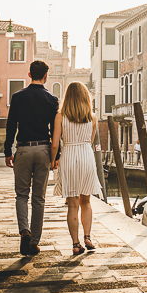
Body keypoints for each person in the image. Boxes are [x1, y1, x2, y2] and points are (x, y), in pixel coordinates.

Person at [5, 60, 59, 256]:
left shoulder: (18, 97)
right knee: (39, 198)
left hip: (23, 149)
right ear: (46, 76)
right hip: (44, 149)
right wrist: (56, 155)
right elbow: (55, 131)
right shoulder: (52, 100)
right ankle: (34, 242)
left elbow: (11, 126)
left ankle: (24, 231)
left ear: (29, 75)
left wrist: (7, 151)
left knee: (21, 195)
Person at [50, 81, 102, 255]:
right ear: (85, 97)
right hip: (86, 157)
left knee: (73, 205)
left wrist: (52, 161)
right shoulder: (92, 117)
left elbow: (55, 144)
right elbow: (90, 142)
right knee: (86, 202)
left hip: (69, 157)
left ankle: (76, 243)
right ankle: (88, 237)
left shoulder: (60, 116)